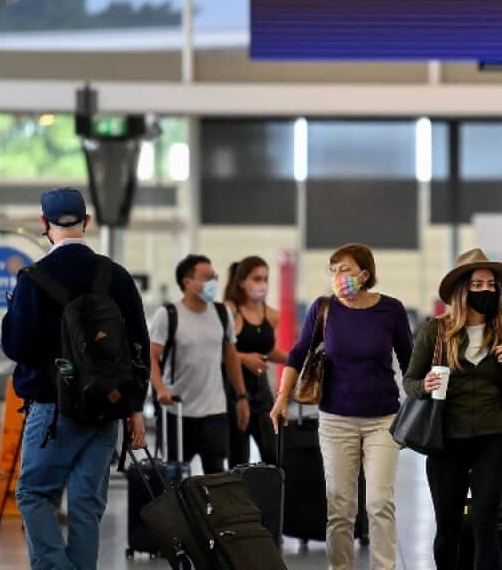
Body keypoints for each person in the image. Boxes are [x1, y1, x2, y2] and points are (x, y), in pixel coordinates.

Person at [1, 187, 148, 570]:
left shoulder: (33, 279)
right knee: (86, 504)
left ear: (44, 224)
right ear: (87, 221)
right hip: (107, 408)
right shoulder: (116, 278)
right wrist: (133, 409)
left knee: (34, 494)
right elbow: (138, 347)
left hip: (52, 409)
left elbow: (17, 347)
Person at [270, 244, 412, 570]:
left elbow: (409, 362)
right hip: (336, 420)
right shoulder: (323, 309)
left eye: (344, 269)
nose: (337, 277)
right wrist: (282, 397)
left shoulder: (390, 310)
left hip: (383, 419)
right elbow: (298, 353)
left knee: (379, 503)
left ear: (365, 274)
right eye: (332, 270)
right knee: (340, 507)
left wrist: (425, 405)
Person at [404, 249, 502, 570]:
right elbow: (410, 381)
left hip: (492, 438)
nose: (486, 291)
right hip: (446, 440)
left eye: (490, 285)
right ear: (462, 290)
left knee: (485, 524)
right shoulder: (436, 332)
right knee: (448, 526)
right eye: (477, 285)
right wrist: (427, 385)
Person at [149, 254, 250, 474]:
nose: (213, 281)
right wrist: (160, 388)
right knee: (174, 476)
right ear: (187, 282)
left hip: (215, 412)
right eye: (206, 277)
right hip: (177, 411)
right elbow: (151, 357)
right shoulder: (168, 315)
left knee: (216, 477)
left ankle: (212, 510)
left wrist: (241, 396)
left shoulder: (222, 314)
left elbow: (230, 355)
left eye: (214, 276)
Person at [223, 256, 287, 466]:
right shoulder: (230, 311)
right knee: (239, 458)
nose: (262, 284)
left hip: (262, 394)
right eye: (256, 278)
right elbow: (215, 350)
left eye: (266, 279)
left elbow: (267, 350)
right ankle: (237, 498)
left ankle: (272, 497)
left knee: (273, 454)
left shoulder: (271, 314)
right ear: (242, 282)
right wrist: (243, 359)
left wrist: (295, 360)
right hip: (234, 394)